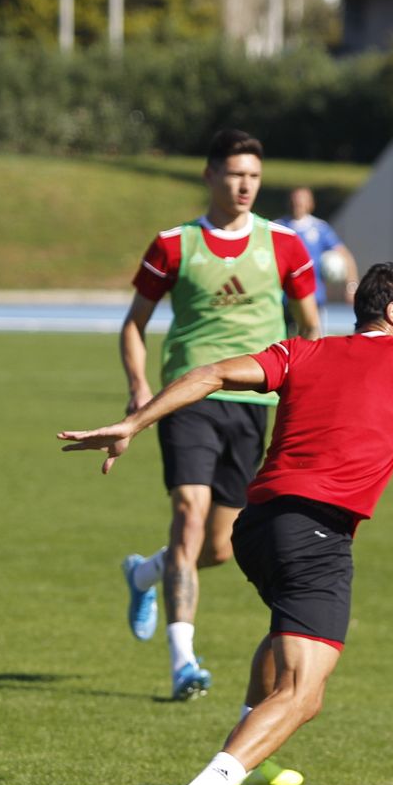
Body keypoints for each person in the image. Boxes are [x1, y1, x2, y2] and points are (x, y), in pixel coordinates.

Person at [60, 262, 393, 785]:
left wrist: (133, 424)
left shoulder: (303, 353)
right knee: (303, 693)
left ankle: (252, 753)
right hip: (316, 532)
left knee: (283, 636)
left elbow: (212, 373)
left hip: (256, 525)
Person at [114, 129, 322, 708]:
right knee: (188, 511)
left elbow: (310, 329)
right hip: (189, 397)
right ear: (210, 176)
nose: (245, 185)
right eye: (234, 174)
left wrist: (303, 398)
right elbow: (134, 323)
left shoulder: (283, 245)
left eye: (253, 175)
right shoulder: (174, 245)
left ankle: (146, 574)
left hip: (255, 406)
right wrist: (140, 385)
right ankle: (185, 661)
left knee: (222, 546)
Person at [276, 186, 359, 333]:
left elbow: (345, 256)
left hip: (313, 296)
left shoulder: (320, 228)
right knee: (283, 339)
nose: (298, 204)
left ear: (310, 204)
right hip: (284, 297)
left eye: (302, 200)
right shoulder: (278, 227)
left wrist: (351, 286)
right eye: (295, 200)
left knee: (311, 336)